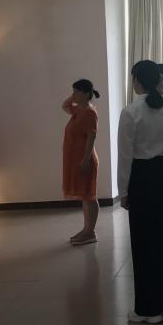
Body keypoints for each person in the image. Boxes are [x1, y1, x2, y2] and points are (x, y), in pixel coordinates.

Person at [117, 61, 163, 324]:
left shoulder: (131, 112)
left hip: (142, 177)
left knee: (144, 243)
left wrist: (123, 190)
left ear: (137, 81)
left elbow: (125, 156)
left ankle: (148, 310)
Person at [61, 79, 100, 246]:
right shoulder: (78, 110)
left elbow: (92, 137)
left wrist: (85, 159)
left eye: (77, 92)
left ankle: (90, 232)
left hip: (86, 159)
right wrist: (74, 96)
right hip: (76, 158)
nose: (73, 95)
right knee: (85, 196)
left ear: (86, 93)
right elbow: (64, 106)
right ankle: (86, 229)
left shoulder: (90, 113)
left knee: (89, 195)